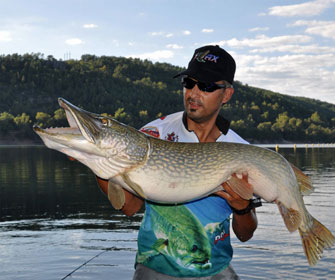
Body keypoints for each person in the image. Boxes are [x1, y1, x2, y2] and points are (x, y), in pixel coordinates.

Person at [96, 45, 258, 279]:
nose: (193, 93)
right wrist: (98, 163)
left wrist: (243, 208)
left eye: (206, 86)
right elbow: (130, 207)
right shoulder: (154, 135)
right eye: (188, 83)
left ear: (227, 94)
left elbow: (245, 234)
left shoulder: (241, 151)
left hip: (215, 270)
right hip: (155, 269)